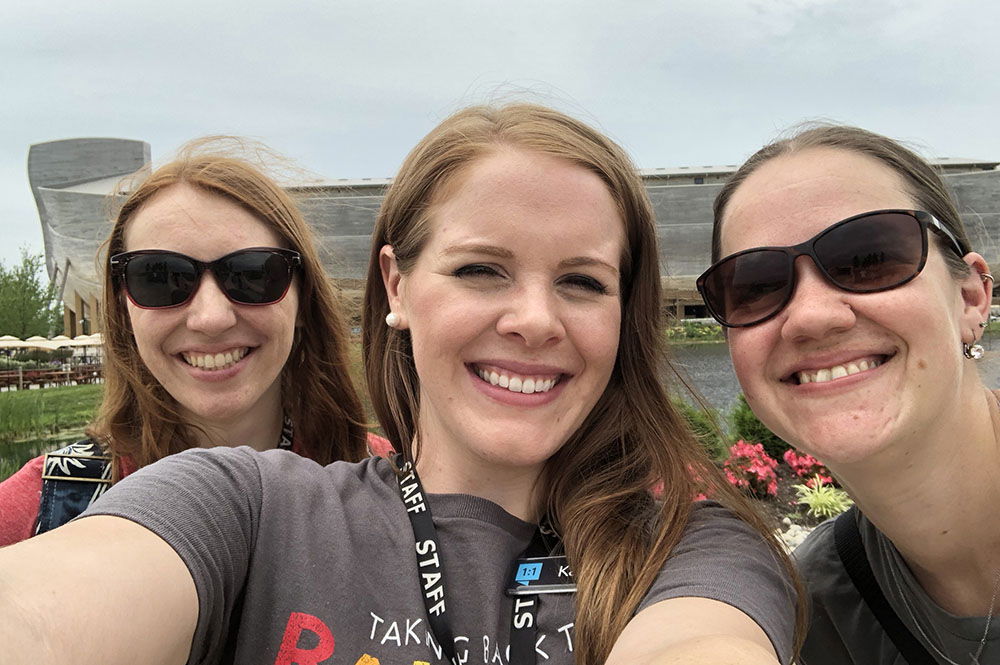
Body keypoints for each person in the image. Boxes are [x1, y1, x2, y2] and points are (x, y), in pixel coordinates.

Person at [0, 105, 800, 665]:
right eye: (480, 269)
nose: (533, 319)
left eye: (583, 281)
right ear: (397, 287)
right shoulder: (243, 504)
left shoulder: (691, 548)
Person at [698, 124, 1000, 664]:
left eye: (870, 258)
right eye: (755, 286)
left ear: (972, 297)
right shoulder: (824, 609)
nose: (812, 316)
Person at [0, 139, 382, 547]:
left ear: (303, 303)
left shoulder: (393, 483)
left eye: (253, 274)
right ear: (124, 310)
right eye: (159, 278)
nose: (211, 317)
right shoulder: (44, 508)